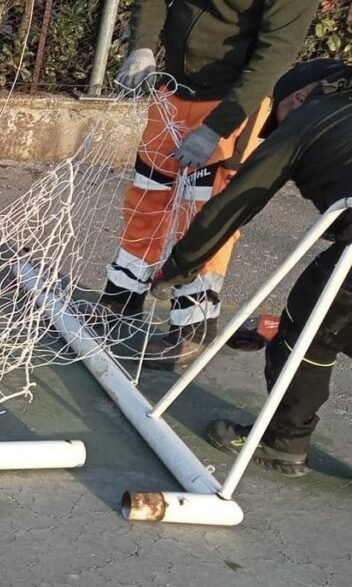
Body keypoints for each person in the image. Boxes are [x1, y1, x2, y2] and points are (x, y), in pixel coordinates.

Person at [150, 58, 352, 477]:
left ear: (296, 97)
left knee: (309, 328)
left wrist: (177, 267)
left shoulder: (307, 116)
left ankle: (283, 442)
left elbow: (236, 203)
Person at [106, 0, 319, 369]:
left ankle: (192, 329)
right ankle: (121, 299)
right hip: (173, 91)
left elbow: (274, 57)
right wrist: (141, 44)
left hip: (233, 103)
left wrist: (215, 129)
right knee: (147, 194)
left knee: (206, 217)